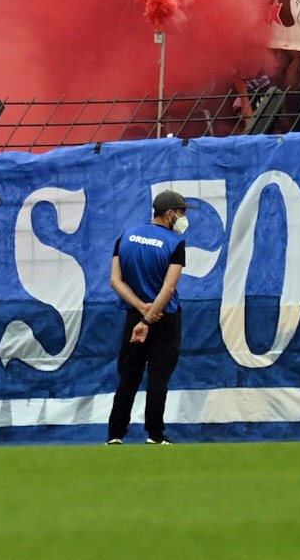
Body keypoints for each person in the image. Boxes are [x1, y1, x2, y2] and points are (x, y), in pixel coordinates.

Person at [105, 189, 188, 445]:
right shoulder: (175, 244)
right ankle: (155, 435)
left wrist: (141, 310)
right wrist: (150, 316)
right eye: (182, 213)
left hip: (134, 316)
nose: (184, 219)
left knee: (129, 376)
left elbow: (115, 281)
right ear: (170, 214)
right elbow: (169, 288)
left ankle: (115, 435)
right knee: (158, 376)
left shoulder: (126, 237)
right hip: (164, 317)